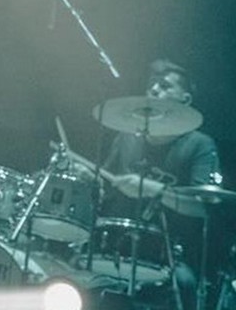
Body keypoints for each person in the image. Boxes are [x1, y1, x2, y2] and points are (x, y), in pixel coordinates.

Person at [94, 60, 221, 310]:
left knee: (183, 284)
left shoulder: (200, 145)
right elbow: (105, 188)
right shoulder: (127, 137)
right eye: (151, 84)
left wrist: (152, 188)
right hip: (118, 248)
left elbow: (202, 208)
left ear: (185, 100)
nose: (154, 89)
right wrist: (90, 181)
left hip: (172, 258)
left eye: (164, 86)